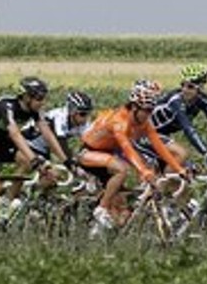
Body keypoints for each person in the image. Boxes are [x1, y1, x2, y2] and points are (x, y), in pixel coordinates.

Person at [77, 79, 188, 233]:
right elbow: (127, 149)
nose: (149, 114)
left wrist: (179, 169)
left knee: (123, 210)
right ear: (135, 107)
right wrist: (144, 172)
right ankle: (101, 209)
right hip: (89, 153)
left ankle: (105, 228)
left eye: (151, 110)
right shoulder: (119, 121)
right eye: (146, 110)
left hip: (109, 155)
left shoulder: (144, 122)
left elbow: (160, 147)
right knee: (122, 169)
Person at [0, 76, 69, 237]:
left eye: (44, 98)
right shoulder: (7, 105)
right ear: (26, 97)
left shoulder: (35, 111)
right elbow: (15, 134)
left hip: (0, 141)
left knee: (26, 162)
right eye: (39, 98)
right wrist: (35, 160)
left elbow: (47, 133)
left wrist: (66, 160)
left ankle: (6, 204)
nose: (42, 102)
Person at [24, 90, 94, 161]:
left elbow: (90, 142)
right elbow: (61, 143)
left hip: (44, 148)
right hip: (28, 143)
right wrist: (73, 160)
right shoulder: (59, 117)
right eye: (83, 114)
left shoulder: (82, 122)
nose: (86, 118)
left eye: (88, 114)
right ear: (72, 111)